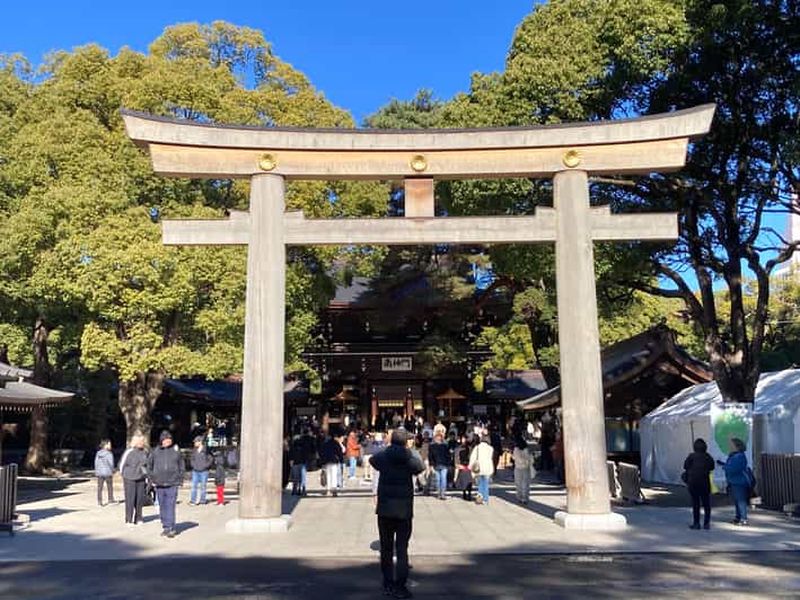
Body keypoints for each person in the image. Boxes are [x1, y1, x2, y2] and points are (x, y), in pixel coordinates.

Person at [370, 429, 425, 599]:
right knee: (402, 549)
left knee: (386, 549)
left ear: (391, 440)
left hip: (385, 508)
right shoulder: (409, 458)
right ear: (405, 442)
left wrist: (388, 449)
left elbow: (373, 460)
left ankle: (388, 583)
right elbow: (420, 467)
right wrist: (408, 451)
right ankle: (400, 585)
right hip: (403, 509)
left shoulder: (384, 457)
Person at [147, 430, 185, 538]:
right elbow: (148, 466)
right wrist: (152, 478)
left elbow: (181, 466)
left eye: (169, 439)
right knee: (162, 506)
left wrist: (180, 479)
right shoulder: (155, 451)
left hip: (172, 483)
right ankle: (165, 526)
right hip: (159, 483)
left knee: (170, 505)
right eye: (165, 439)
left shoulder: (176, 451)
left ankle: (171, 528)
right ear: (161, 440)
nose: (168, 441)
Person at [683, 438, 715, 530]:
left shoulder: (691, 456)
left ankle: (696, 523)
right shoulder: (708, 456)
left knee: (695, 503)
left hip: (693, 482)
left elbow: (685, 466)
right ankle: (706, 523)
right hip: (705, 482)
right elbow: (712, 467)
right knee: (706, 503)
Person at [720, 437, 752, 526]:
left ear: (736, 446)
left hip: (739, 481)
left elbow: (734, 468)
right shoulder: (735, 455)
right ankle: (738, 517)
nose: (729, 446)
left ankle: (743, 518)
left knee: (741, 500)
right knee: (737, 500)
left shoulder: (739, 456)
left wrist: (725, 467)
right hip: (734, 481)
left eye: (731, 445)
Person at [119, 434, 148, 526]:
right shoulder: (129, 451)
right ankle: (129, 519)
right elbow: (121, 464)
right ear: (135, 442)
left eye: (142, 441)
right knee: (130, 499)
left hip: (141, 478)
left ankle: (138, 518)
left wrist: (147, 475)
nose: (141, 443)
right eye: (139, 441)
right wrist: (123, 474)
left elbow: (147, 465)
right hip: (129, 477)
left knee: (139, 499)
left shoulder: (145, 452)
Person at [469, 434, 495, 505]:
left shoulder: (477, 447)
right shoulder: (490, 448)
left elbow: (473, 457)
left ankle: (480, 497)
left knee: (480, 483)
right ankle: (485, 499)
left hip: (479, 467)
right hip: (487, 467)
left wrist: (470, 466)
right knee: (486, 484)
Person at [189, 436, 213, 505]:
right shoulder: (194, 450)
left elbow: (210, 459)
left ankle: (203, 500)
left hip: (204, 471)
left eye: (196, 442)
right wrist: (193, 465)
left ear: (200, 442)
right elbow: (192, 459)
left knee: (203, 487)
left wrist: (206, 466)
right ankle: (193, 500)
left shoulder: (206, 450)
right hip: (195, 471)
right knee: (194, 486)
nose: (194, 443)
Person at [429, 431, 450, 500]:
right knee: (438, 480)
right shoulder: (432, 446)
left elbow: (448, 455)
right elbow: (430, 456)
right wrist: (431, 465)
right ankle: (439, 493)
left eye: (439, 437)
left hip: (444, 464)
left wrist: (448, 463)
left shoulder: (445, 446)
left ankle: (443, 493)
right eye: (437, 437)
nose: (438, 439)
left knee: (443, 479)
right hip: (436, 465)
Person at [94, 439, 116, 507]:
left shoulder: (98, 453)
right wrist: (113, 470)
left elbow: (96, 463)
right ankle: (110, 499)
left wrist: (97, 470)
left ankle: (99, 501)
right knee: (109, 486)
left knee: (100, 487)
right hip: (107, 472)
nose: (110, 446)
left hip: (100, 472)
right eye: (109, 444)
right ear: (105, 445)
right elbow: (111, 463)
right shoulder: (109, 454)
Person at [513, 437, 533, 505]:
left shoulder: (516, 450)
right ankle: (525, 498)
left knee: (518, 483)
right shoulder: (527, 450)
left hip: (518, 468)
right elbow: (531, 459)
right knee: (526, 484)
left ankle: (519, 497)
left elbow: (514, 458)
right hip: (526, 468)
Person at [454, 435, 474, 501]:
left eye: (464, 439)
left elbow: (472, 457)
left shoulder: (470, 448)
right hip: (462, 465)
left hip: (469, 465)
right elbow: (456, 457)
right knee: (463, 481)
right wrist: (457, 464)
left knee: (469, 480)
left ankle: (469, 493)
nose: (463, 440)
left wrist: (471, 465)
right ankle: (464, 492)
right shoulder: (458, 448)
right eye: (462, 439)